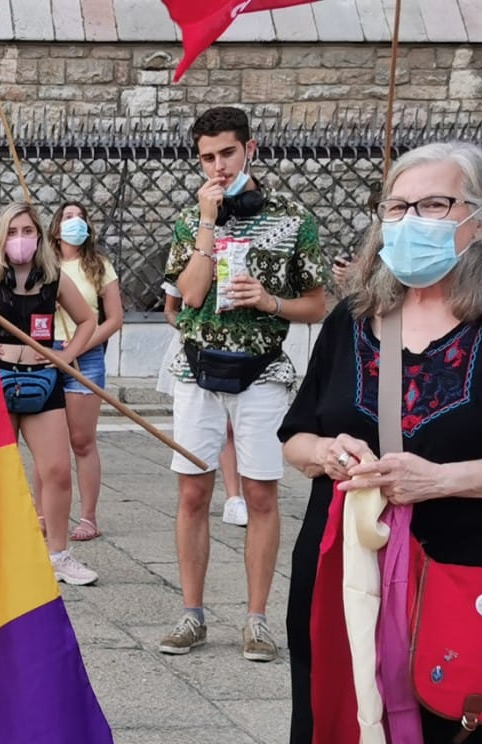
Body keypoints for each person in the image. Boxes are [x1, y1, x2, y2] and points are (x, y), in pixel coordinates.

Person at [233, 141, 482, 744]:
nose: (412, 223)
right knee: (325, 720)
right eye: (397, 207)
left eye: (433, 207)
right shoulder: (356, 319)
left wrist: (445, 478)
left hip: (465, 569)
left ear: (480, 220)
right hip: (343, 561)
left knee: (444, 730)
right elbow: (295, 436)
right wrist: (329, 453)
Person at [158, 106, 329, 662]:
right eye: (207, 157)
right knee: (192, 491)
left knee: (259, 492)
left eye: (227, 153)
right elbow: (183, 298)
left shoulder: (292, 218)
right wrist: (208, 223)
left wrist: (270, 301)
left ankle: (256, 620)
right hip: (197, 367)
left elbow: (317, 304)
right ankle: (191, 614)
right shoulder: (191, 219)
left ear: (249, 149)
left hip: (261, 370)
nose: (218, 166)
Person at [0, 201, 99, 586]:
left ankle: (58, 555)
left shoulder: (54, 279)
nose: (20, 240)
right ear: (0, 238)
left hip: (43, 384)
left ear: (39, 236)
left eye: (27, 231)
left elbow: (88, 320)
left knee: (57, 471)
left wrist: (67, 355)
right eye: (12, 232)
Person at [49, 201, 123, 542]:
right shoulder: (45, 265)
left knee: (81, 441)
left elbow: (114, 319)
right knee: (48, 443)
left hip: (87, 356)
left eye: (80, 217)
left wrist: (79, 346)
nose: (74, 222)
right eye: (67, 217)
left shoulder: (100, 266)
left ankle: (88, 517)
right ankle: (43, 513)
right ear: (55, 226)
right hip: (47, 353)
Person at [162, 287, 246, 525]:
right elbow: (171, 310)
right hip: (197, 354)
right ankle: (219, 496)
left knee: (231, 427)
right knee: (205, 435)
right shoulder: (186, 255)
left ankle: (234, 498)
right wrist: (192, 328)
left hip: (242, 350)